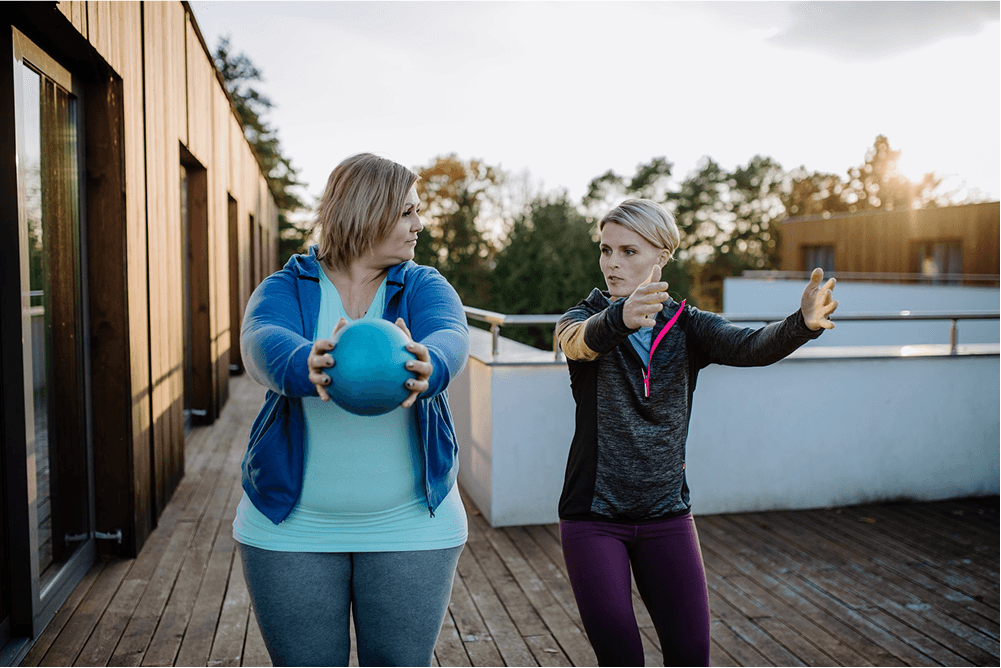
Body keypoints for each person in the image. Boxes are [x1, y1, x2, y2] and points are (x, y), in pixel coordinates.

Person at [555, 198, 839, 667]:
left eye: (628, 251)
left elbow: (750, 346)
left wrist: (801, 325)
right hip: (593, 518)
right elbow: (577, 344)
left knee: (690, 656)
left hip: (667, 514)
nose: (611, 263)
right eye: (606, 250)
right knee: (621, 658)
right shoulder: (582, 318)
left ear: (661, 256)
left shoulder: (689, 326)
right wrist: (619, 318)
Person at [233, 153, 469, 667]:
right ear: (367, 210)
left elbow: (451, 334)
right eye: (407, 211)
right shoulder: (286, 287)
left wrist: (431, 364)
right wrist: (307, 361)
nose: (418, 224)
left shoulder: (422, 284)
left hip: (412, 525)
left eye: (417, 210)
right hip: (290, 527)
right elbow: (260, 341)